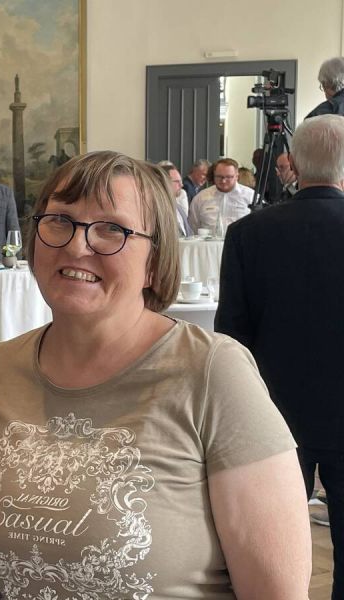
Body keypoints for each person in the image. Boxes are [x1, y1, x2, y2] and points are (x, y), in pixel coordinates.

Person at [0, 150, 311, 599]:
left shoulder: (211, 372)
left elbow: (277, 591)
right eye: (60, 220)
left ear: (154, 261)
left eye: (112, 229)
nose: (77, 246)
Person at [216, 114, 344, 597]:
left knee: (266, 551)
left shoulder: (248, 232)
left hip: (271, 415)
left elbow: (231, 336)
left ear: (294, 164)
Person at [188, 157, 254, 233]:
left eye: (228, 177)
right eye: (219, 177)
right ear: (214, 175)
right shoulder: (200, 198)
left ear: (237, 176)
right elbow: (193, 227)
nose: (223, 181)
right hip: (208, 240)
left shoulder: (251, 197)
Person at [161, 164, 193, 236]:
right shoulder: (156, 209)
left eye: (181, 181)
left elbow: (189, 234)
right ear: (164, 182)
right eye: (177, 181)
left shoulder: (179, 208)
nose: (181, 185)